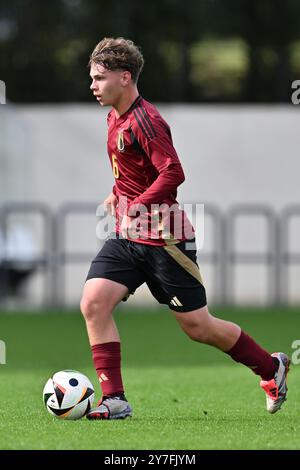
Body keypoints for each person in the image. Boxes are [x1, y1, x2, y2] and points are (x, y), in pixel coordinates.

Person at [81, 37, 290, 420]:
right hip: (129, 236)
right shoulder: (114, 117)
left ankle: (270, 366)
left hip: (166, 238)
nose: (93, 85)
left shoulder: (147, 120)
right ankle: (115, 399)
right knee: (94, 302)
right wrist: (115, 194)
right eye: (92, 78)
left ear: (125, 77)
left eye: (99, 78)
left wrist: (140, 204)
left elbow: (172, 172)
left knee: (198, 327)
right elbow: (131, 170)